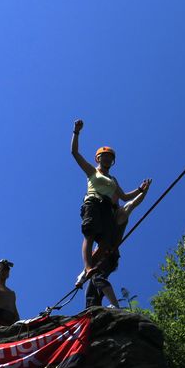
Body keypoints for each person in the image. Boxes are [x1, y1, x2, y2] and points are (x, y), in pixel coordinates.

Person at [70, 118, 151, 276]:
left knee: (106, 242)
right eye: (104, 156)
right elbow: (75, 153)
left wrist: (140, 189)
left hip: (107, 208)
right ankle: (87, 268)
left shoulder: (113, 180)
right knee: (90, 233)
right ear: (98, 158)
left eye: (110, 158)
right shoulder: (92, 172)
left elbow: (126, 197)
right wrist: (76, 132)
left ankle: (95, 265)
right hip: (93, 202)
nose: (107, 159)